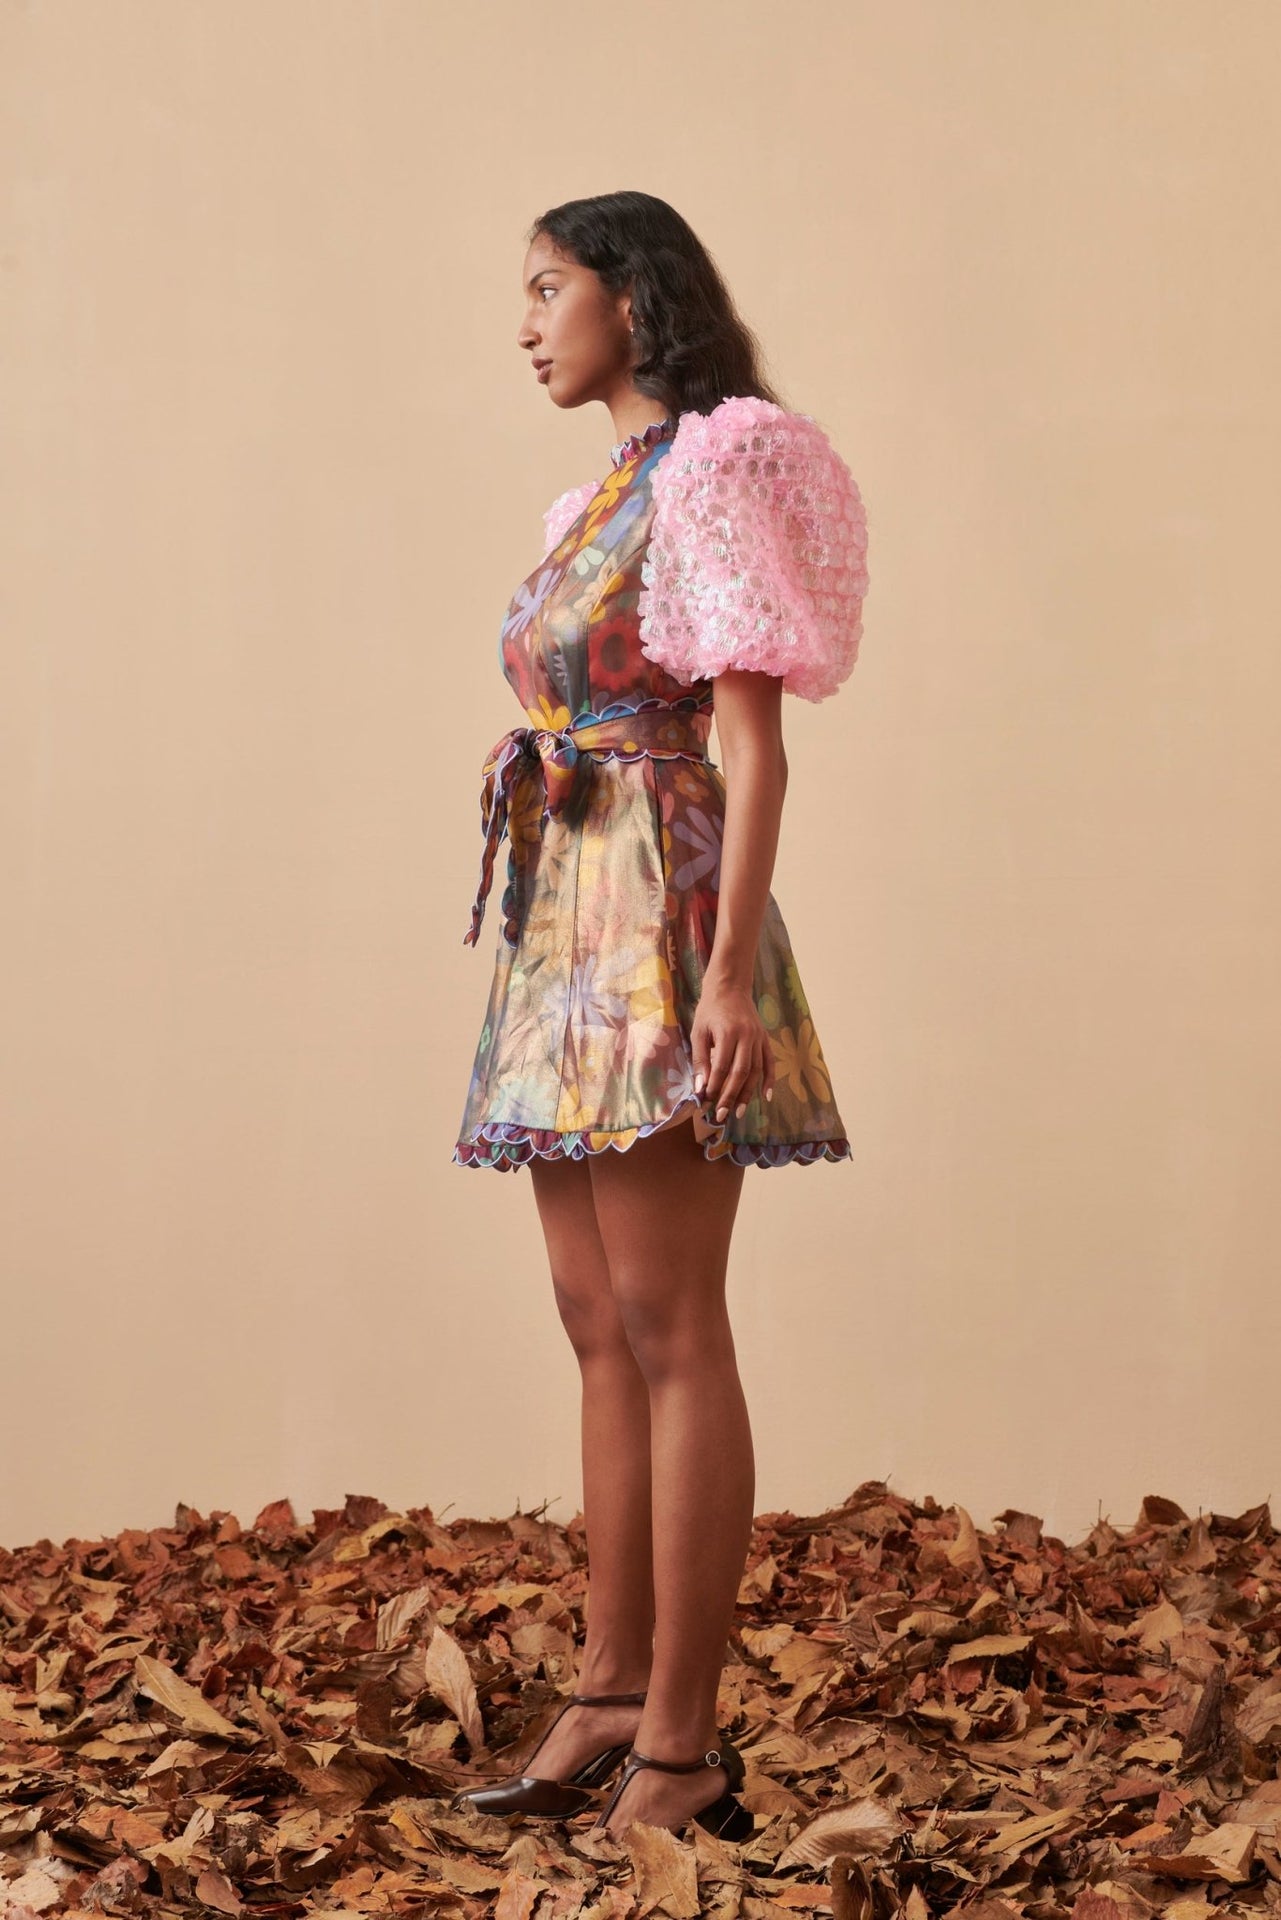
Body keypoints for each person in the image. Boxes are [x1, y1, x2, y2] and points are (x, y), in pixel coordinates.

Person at [450, 191, 869, 1842]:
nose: (526, 322)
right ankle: (608, 1693)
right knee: (591, 1315)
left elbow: (752, 745)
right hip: (566, 921)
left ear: (632, 298)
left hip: (661, 912)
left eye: (548, 287)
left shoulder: (712, 466)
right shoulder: (597, 498)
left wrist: (723, 971)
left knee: (670, 1317)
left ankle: (684, 1748)